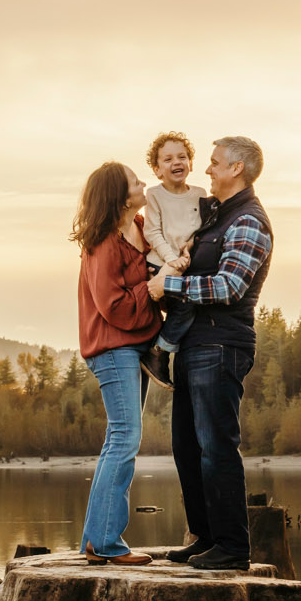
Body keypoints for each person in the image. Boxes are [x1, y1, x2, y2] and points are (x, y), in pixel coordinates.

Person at [149, 136, 272, 571]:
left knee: (217, 446)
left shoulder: (248, 221)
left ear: (236, 169)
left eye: (215, 164)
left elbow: (229, 287)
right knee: (186, 445)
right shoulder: (215, 218)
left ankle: (233, 547)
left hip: (222, 345)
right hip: (195, 344)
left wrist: (174, 285)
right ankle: (204, 539)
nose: (208, 170)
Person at [74, 160, 176, 566]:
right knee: (125, 437)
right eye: (135, 181)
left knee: (120, 439)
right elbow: (113, 306)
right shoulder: (103, 243)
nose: (143, 183)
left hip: (134, 345)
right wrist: (150, 291)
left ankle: (97, 541)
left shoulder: (140, 226)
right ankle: (106, 543)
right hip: (111, 346)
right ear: (118, 195)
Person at [140, 132, 204, 386]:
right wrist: (170, 260)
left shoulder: (200, 193)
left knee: (190, 306)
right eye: (167, 159)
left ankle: (161, 350)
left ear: (191, 163)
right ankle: (158, 351)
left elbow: (199, 229)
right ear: (157, 170)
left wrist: (188, 251)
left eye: (182, 157)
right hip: (160, 264)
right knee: (186, 305)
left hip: (186, 263)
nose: (176, 162)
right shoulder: (155, 195)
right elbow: (152, 231)